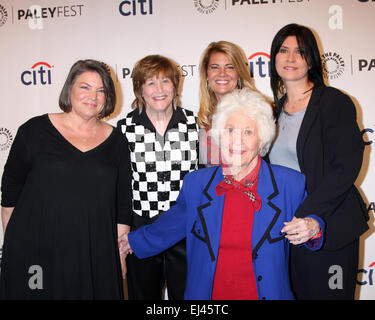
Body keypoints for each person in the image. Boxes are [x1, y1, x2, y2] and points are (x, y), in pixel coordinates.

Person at [119, 88, 324, 300]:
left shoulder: (290, 183)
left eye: (248, 132)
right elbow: (170, 226)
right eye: (230, 130)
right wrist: (129, 242)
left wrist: (314, 227)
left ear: (262, 140)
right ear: (218, 135)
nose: (237, 140)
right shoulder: (197, 184)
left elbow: (313, 219)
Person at [0, 59, 130, 299]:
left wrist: (119, 256)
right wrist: (14, 249)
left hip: (93, 253)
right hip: (38, 252)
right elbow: (9, 194)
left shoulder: (117, 141)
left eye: (101, 90)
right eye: (85, 87)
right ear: (69, 88)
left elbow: (123, 205)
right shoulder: (33, 131)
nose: (93, 96)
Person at [268, 23, 369, 300]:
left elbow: (345, 167)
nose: (291, 58)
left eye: (300, 52)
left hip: (329, 226)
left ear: (311, 58)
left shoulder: (333, 102)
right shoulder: (271, 112)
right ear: (273, 56)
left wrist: (311, 215)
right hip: (288, 231)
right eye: (284, 50)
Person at [116, 55, 199, 300]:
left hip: (184, 230)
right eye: (150, 83)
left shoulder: (196, 125)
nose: (159, 89)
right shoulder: (123, 129)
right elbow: (119, 187)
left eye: (165, 81)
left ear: (176, 85)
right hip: (142, 230)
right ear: (140, 88)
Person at [197, 40, 257, 166]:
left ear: (239, 73)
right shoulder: (204, 119)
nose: (222, 73)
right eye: (215, 67)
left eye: (230, 67)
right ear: (206, 74)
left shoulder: (256, 112)